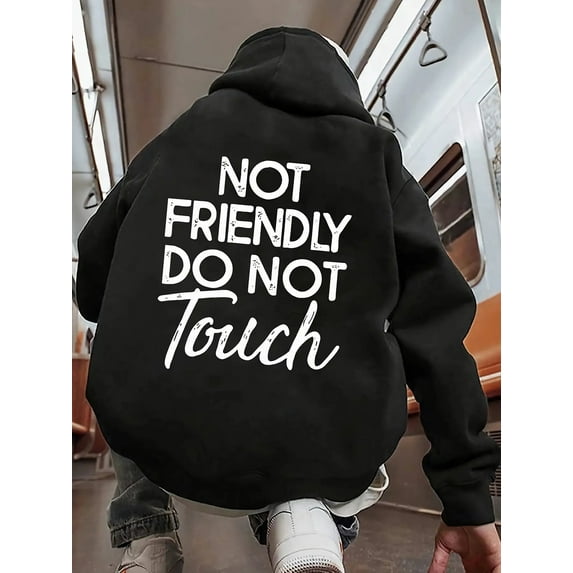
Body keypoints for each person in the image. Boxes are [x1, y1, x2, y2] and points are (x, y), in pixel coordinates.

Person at [76, 27, 501, 573]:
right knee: (341, 363)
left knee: (128, 345)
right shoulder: (376, 159)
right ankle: (307, 518)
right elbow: (435, 337)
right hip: (316, 446)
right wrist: (467, 499)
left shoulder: (178, 141)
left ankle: (146, 537)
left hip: (164, 440)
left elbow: (94, 287)